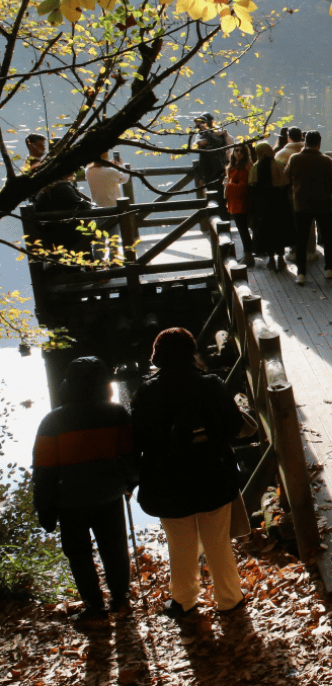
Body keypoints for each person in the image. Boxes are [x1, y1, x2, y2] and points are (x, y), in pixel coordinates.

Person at [132, 328, 249, 620]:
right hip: (213, 477)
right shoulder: (211, 384)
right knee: (218, 542)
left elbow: (137, 441)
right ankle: (230, 599)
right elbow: (234, 428)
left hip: (166, 483)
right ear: (191, 353)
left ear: (158, 356)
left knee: (180, 544)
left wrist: (130, 478)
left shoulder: (146, 392)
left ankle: (184, 601)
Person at [32, 357, 135, 625]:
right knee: (115, 549)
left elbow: (44, 471)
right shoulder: (117, 414)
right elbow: (129, 456)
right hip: (110, 495)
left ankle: (94, 608)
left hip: (70, 502)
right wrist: (130, 483)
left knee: (79, 555)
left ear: (69, 384)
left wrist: (44, 507)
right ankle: (121, 601)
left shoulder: (52, 421)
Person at [283, 131, 332, 285]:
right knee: (328, 238)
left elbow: (286, 177)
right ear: (319, 144)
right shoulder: (326, 160)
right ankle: (329, 269)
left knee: (301, 239)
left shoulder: (295, 158)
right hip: (324, 204)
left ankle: (301, 273)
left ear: (305, 142)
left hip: (301, 205)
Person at [248, 142, 291, 271]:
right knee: (279, 230)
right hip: (279, 202)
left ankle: (271, 259)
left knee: (267, 231)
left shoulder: (255, 167)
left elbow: (251, 186)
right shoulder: (278, 164)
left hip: (263, 205)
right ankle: (281, 259)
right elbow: (286, 182)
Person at [224, 142, 254, 266]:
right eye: (236, 150)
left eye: (241, 151)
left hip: (241, 202)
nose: (238, 153)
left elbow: (243, 187)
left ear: (245, 153)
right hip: (235, 202)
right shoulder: (234, 166)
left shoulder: (244, 167)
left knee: (243, 230)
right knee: (242, 229)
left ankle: (248, 255)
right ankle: (248, 254)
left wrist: (228, 185)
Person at [193, 114, 229, 211]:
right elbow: (198, 147)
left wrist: (206, 131)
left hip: (219, 170)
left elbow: (218, 143)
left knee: (222, 197)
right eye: (198, 126)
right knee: (212, 198)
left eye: (201, 124)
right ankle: (215, 217)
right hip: (208, 173)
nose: (199, 127)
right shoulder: (200, 135)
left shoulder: (218, 132)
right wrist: (201, 177)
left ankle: (224, 217)